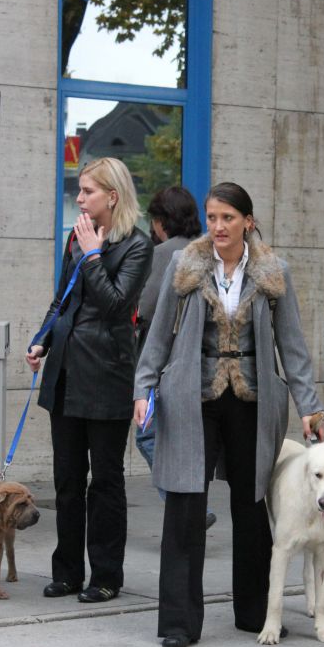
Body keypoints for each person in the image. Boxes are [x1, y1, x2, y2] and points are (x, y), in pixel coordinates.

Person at [133, 181, 324, 647]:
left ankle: (255, 613)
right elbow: (158, 333)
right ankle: (179, 622)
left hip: (253, 400)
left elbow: (292, 345)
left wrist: (309, 406)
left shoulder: (272, 271)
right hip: (190, 396)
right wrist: (144, 386)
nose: (218, 226)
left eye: (228, 218)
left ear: (248, 222)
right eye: (212, 217)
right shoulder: (186, 265)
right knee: (184, 505)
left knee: (250, 504)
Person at [26, 157, 153, 603]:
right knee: (66, 480)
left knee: (105, 481)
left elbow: (118, 305)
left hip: (107, 376)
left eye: (87, 191)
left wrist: (94, 254)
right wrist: (41, 339)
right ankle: (67, 572)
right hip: (65, 372)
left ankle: (105, 576)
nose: (79, 199)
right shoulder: (74, 239)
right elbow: (61, 299)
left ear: (112, 196)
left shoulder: (137, 246)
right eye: (80, 191)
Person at [135, 185, 216, 529]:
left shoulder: (166, 253)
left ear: (160, 221)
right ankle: (190, 506)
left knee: (148, 435)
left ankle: (186, 507)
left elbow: (146, 310)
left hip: (166, 362)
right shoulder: (208, 250)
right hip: (202, 362)